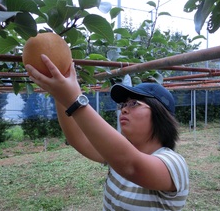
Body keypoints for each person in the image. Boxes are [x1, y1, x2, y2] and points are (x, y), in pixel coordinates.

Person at [25, 54, 189, 210]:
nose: (124, 110)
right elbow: (78, 139)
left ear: (160, 114)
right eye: (123, 105)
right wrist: (59, 94)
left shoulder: (174, 164)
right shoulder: (115, 156)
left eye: (133, 103)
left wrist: (74, 99)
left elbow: (131, 166)